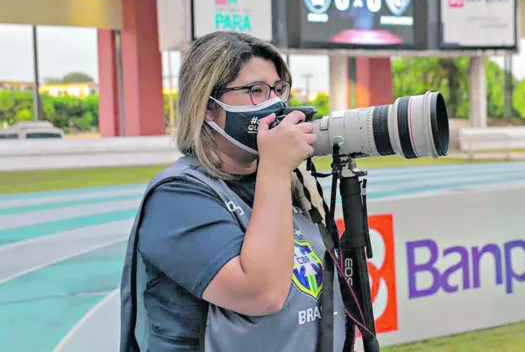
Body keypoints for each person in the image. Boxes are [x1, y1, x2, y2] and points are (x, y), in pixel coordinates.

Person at [118, 31, 364, 352]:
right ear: (208, 107)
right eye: (255, 91)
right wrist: (275, 167)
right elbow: (262, 294)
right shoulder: (176, 198)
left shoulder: (288, 181)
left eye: (278, 89)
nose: (274, 103)